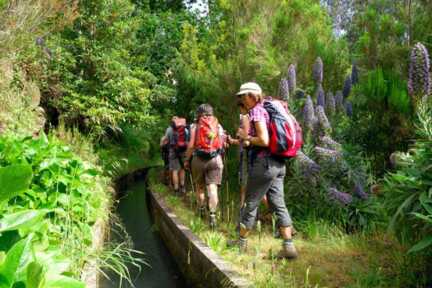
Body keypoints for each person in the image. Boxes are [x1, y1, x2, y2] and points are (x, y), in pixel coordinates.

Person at [230, 82, 298, 259]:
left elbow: (264, 140)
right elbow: (260, 140)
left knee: (251, 202)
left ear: (253, 96)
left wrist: (246, 137)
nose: (242, 100)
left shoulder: (258, 111)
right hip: (278, 164)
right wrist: (247, 141)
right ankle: (288, 246)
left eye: (244, 96)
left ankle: (241, 242)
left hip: (264, 164)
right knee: (278, 203)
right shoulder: (267, 109)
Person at [184, 104, 224, 230]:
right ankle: (212, 216)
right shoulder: (217, 125)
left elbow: (191, 145)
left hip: (198, 159)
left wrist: (186, 160)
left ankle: (201, 209)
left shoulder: (194, 126)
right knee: (212, 188)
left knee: (200, 187)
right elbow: (222, 144)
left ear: (198, 114)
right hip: (215, 159)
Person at [162, 116, 188, 195]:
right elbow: (187, 141)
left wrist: (163, 145)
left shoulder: (169, 129)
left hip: (173, 151)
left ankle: (176, 189)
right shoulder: (185, 129)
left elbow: (165, 140)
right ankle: (182, 187)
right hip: (183, 151)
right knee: (182, 169)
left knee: (175, 170)